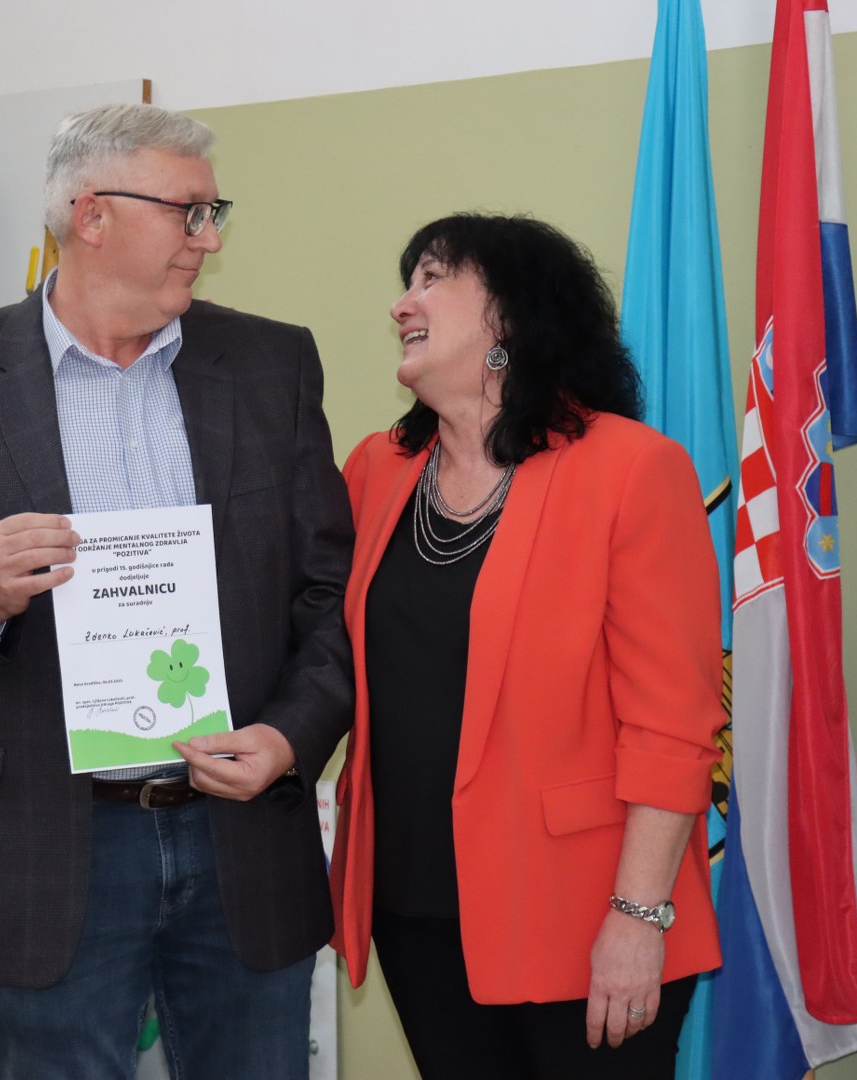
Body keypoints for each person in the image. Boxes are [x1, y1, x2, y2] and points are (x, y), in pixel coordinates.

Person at [0, 103, 354, 1080]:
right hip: (44, 847)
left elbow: (330, 595)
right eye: (188, 212)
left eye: (214, 213)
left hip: (238, 839)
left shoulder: (269, 366)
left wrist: (289, 739)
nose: (209, 238)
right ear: (92, 214)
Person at [327, 213, 725, 1079]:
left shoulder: (631, 469)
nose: (403, 304)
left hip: (584, 914)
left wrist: (637, 917)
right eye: (406, 283)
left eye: (433, 278)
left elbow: (672, 727)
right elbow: (319, 648)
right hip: (412, 906)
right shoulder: (374, 470)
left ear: (509, 316)